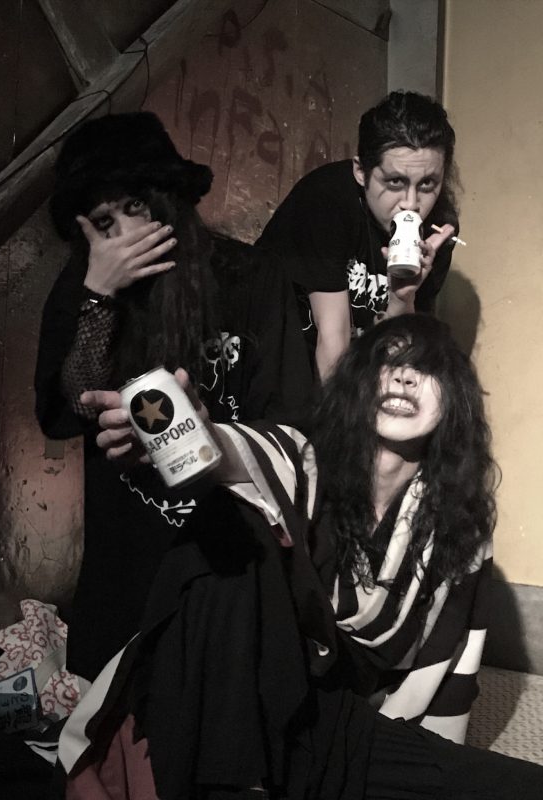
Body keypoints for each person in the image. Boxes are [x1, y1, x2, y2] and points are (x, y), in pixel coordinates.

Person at [55, 315, 543, 800]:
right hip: (242, 691)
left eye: (427, 367)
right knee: (236, 527)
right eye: (386, 361)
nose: (403, 376)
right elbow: (238, 455)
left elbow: (452, 663)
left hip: (335, 723)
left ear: (455, 400)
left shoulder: (460, 526)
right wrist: (194, 434)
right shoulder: (301, 457)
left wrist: (429, 756)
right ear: (358, 383)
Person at [34, 111, 313, 682]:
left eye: (135, 206)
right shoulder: (85, 286)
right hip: (127, 566)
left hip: (230, 558)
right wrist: (98, 297)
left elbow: (292, 422)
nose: (123, 235)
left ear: (168, 198)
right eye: (104, 221)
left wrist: (212, 437)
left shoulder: (250, 276)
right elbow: (70, 409)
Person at [256, 90, 459, 380]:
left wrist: (402, 298)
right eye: (395, 181)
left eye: (427, 184)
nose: (411, 203)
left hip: (356, 371)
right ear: (361, 171)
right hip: (274, 363)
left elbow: (398, 348)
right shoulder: (328, 200)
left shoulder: (438, 227)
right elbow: (332, 341)